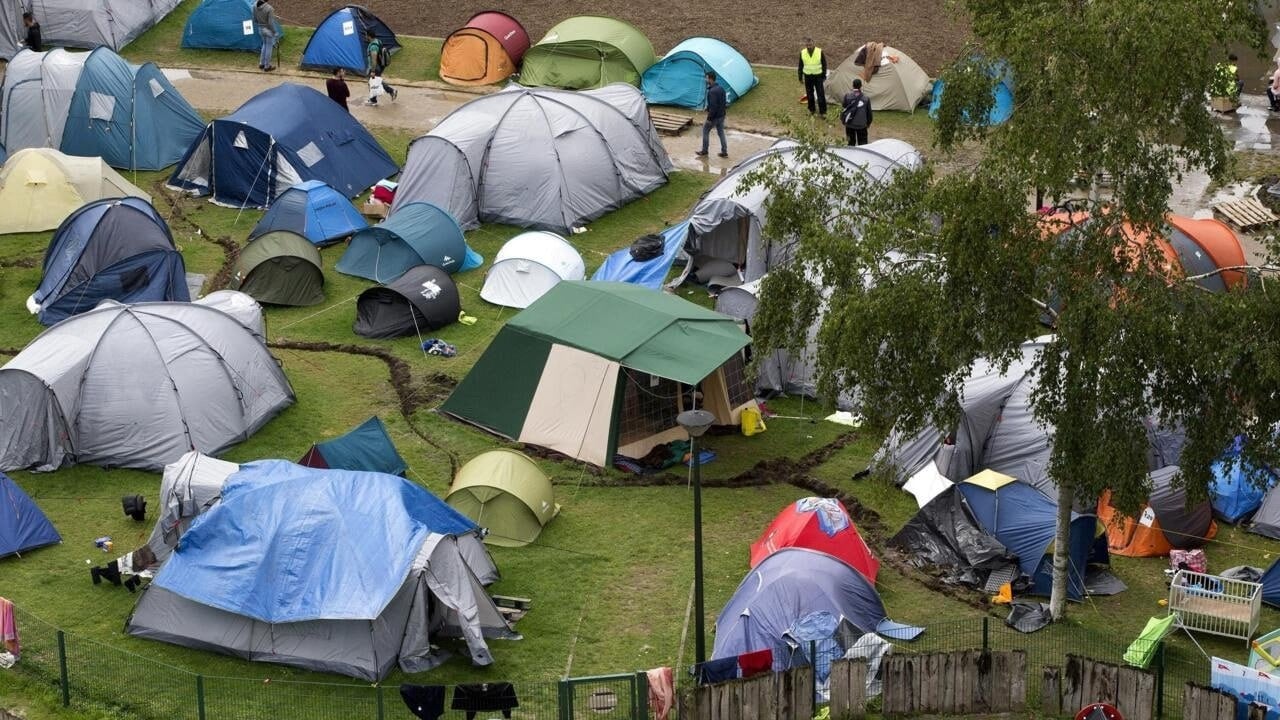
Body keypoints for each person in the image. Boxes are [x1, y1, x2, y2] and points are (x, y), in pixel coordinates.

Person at [696, 72, 728, 158]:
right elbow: (722, 103)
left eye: (706, 78)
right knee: (721, 133)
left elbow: (714, 107)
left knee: (705, 130)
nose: (705, 80)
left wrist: (709, 119)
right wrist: (707, 108)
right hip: (722, 115)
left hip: (714, 117)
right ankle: (724, 151)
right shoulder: (721, 88)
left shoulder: (712, 91)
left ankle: (704, 150)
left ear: (710, 79)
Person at [797, 38, 828, 116]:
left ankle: (823, 112)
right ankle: (811, 109)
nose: (809, 46)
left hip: (818, 76)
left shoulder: (819, 51)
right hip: (808, 76)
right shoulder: (802, 52)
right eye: (807, 45)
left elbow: (824, 64)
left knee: (820, 94)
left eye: (810, 45)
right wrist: (800, 77)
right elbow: (800, 65)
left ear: (813, 44)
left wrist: (824, 75)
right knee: (809, 94)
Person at [841, 78, 873, 146]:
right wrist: (868, 123)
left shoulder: (847, 96)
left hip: (850, 123)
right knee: (863, 144)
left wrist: (844, 121)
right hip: (862, 125)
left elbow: (844, 108)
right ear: (861, 86)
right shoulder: (866, 98)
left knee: (850, 143)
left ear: (852, 86)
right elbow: (869, 113)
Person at [366, 33, 397, 102]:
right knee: (376, 81)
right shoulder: (378, 41)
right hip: (380, 65)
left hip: (375, 67)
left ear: (369, 36)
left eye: (366, 35)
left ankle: (374, 100)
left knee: (373, 82)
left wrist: (373, 71)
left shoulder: (373, 46)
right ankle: (374, 99)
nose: (365, 37)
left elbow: (374, 59)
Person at [254, 0, 277, 72]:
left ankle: (261, 64)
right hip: (268, 30)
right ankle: (267, 66)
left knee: (264, 45)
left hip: (260, 29)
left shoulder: (254, 5)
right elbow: (270, 23)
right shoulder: (270, 8)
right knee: (269, 47)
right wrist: (275, 32)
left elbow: (255, 20)